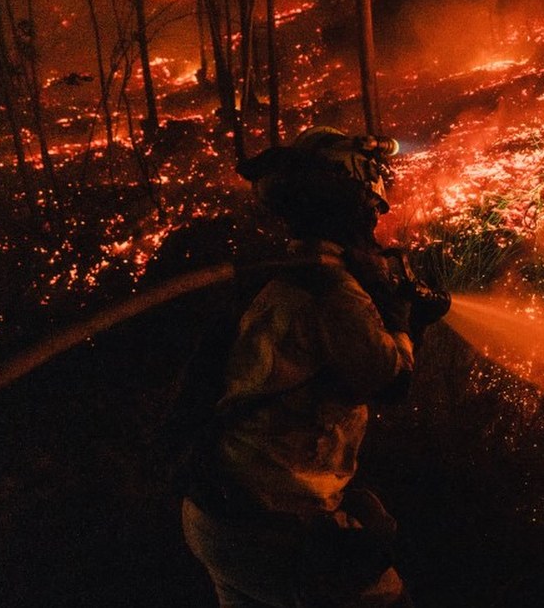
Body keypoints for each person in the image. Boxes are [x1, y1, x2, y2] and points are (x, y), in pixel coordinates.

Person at [182, 127, 446, 607]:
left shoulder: (286, 270)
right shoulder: (334, 292)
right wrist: (405, 317)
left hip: (218, 511)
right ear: (347, 207)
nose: (375, 225)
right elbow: (392, 382)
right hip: (274, 527)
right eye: (370, 211)